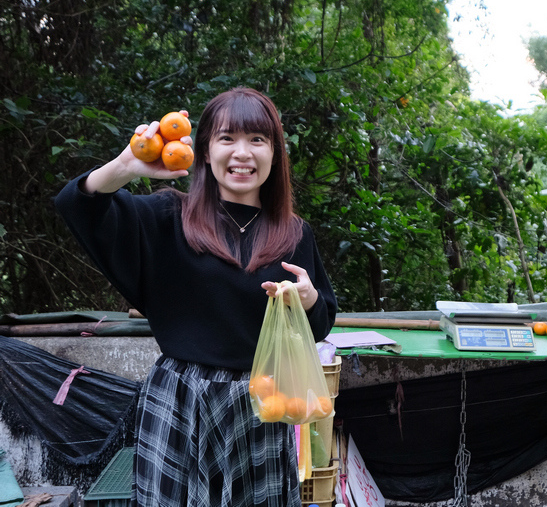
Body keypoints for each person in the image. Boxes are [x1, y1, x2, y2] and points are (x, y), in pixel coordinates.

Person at [54, 87, 338, 506]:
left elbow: (319, 324)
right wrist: (125, 167)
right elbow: (78, 206)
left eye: (257, 140)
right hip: (179, 402)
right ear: (205, 150)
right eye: (227, 138)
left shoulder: (293, 234)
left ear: (275, 154)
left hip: (261, 406)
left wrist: (310, 299)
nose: (242, 153)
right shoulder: (169, 217)